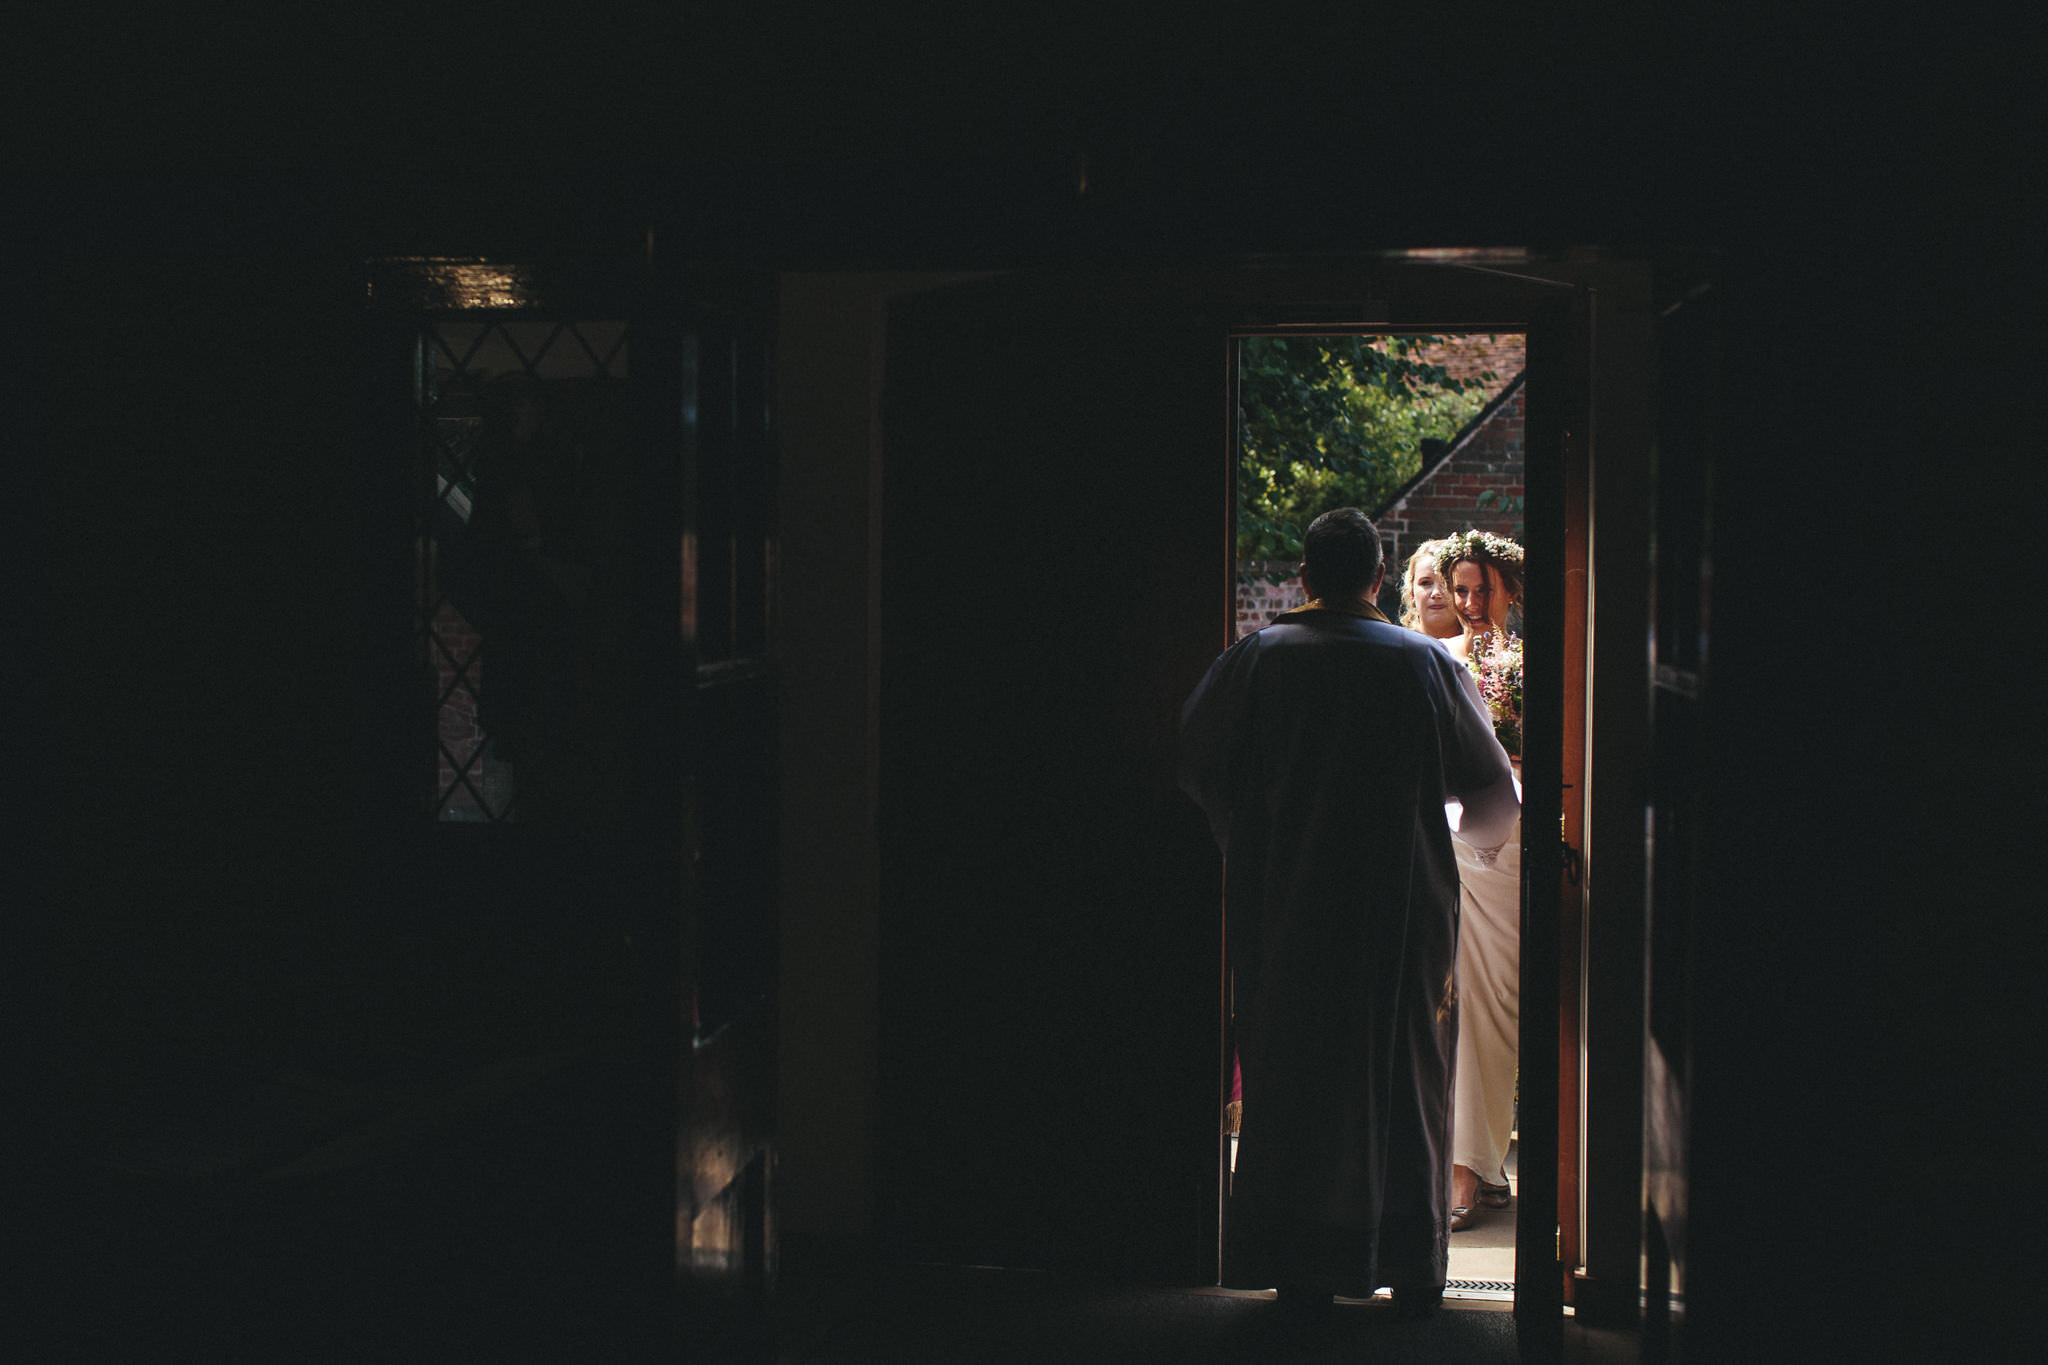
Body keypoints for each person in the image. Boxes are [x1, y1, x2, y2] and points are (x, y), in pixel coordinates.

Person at [1180, 509, 1519, 1317]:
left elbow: (1194, 761)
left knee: (1295, 1078)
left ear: (1303, 576)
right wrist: (1457, 853)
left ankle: (1300, 1265)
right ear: (1377, 577)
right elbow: (1496, 797)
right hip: (1401, 907)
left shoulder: (1257, 658)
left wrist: (1245, 831)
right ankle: (1409, 1263)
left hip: (1288, 899)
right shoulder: (1424, 666)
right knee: (1403, 1079)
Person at [1431, 529, 1527, 1231]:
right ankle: (1462, 1168)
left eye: (1481, 588)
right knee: (1453, 1000)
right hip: (1453, 838)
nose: (1468, 603)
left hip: (1516, 840)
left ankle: (1484, 1163)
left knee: (1497, 1005)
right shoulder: (1439, 660)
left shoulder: (1533, 660)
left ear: (1510, 587)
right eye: (1459, 589)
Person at [1398, 539, 1463, 642]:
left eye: (1446, 582)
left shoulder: (1486, 649)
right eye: (1425, 583)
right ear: (1411, 593)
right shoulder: (1396, 646)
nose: (1436, 593)